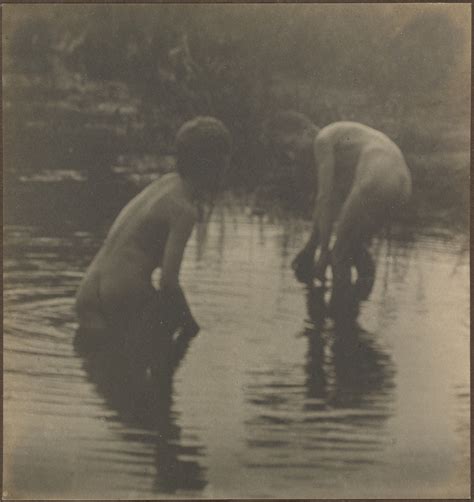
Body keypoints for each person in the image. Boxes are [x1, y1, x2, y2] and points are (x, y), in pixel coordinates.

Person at [75, 116, 232, 354]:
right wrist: (193, 329)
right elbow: (168, 282)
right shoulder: (183, 210)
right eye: (224, 163)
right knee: (168, 322)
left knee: (109, 375)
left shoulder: (164, 184)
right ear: (213, 166)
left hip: (86, 294)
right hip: (121, 299)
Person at [265, 111, 411, 319]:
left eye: (291, 145)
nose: (292, 155)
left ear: (306, 131)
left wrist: (323, 253)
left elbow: (323, 198)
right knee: (353, 246)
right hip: (401, 182)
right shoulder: (342, 146)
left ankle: (340, 327)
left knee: (338, 254)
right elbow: (329, 204)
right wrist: (311, 247)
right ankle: (359, 297)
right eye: (286, 152)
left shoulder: (322, 139)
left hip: (378, 174)